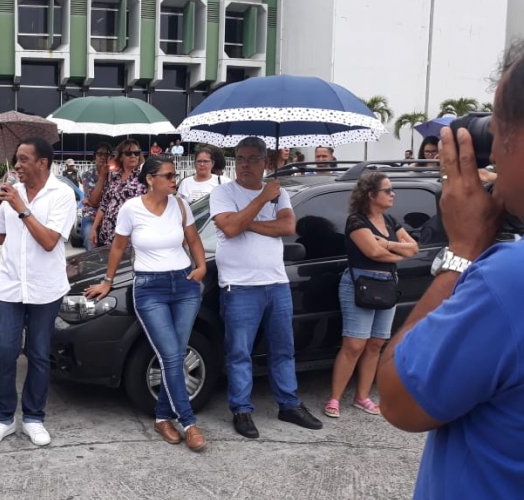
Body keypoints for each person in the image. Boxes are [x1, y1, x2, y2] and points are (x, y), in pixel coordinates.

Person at [377, 42, 524, 498]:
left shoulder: (510, 281)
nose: (491, 148)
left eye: (496, 128)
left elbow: (399, 401)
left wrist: (464, 249)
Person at [84, 156, 208, 451]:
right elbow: (118, 245)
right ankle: (188, 422)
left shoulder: (180, 205)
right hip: (150, 288)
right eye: (167, 175)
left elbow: (193, 239)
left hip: (185, 285)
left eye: (174, 175)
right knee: (170, 355)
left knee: (175, 354)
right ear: (150, 179)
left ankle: (163, 416)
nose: (173, 180)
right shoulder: (132, 209)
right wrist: (108, 281)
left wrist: (201, 266)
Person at [0, 137, 76, 448]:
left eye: (24, 159)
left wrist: (22, 208)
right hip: (10, 286)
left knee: (39, 354)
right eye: (17, 159)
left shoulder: (62, 194)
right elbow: (0, 236)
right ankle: (2, 418)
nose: (17, 165)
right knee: (6, 351)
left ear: (43, 162)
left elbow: (50, 240)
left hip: (45, 289)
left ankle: (33, 417)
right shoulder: (10, 195)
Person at [209, 136, 323, 439]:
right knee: (239, 352)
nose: (245, 165)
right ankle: (242, 410)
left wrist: (247, 219)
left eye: (252, 159)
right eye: (241, 159)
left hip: (276, 283)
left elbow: (287, 227)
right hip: (240, 286)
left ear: (265, 162)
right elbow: (229, 228)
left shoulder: (279, 192)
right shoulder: (223, 193)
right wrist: (260, 202)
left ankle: (289, 403)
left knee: (284, 349)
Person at [323, 172, 418, 418]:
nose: (392, 193)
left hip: (387, 284)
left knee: (376, 344)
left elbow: (414, 248)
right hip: (361, 283)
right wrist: (397, 252)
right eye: (387, 190)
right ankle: (334, 398)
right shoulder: (356, 221)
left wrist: (387, 244)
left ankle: (362, 397)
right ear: (371, 194)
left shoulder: (389, 220)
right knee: (354, 344)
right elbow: (372, 252)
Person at [90, 139, 147, 247]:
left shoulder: (144, 179)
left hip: (129, 237)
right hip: (107, 234)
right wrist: (93, 228)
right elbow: (103, 205)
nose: (133, 156)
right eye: (129, 153)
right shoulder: (114, 178)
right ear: (121, 157)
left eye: (136, 153)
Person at [80, 143, 112, 251]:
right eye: (100, 154)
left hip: (110, 217)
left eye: (106, 154)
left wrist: (90, 201)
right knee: (90, 242)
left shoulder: (115, 175)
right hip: (91, 217)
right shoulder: (87, 175)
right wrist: (102, 176)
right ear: (95, 157)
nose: (103, 157)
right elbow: (94, 202)